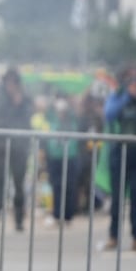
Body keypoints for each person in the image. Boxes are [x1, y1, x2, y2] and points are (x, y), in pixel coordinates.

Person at [103, 66, 136, 251]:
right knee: (117, 198)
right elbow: (109, 115)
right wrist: (126, 98)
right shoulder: (117, 97)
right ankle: (113, 236)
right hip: (119, 152)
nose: (134, 83)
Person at [0, 68, 34, 232]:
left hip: (19, 146)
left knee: (19, 185)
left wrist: (18, 101)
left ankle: (19, 220)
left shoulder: (24, 98)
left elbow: (28, 117)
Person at [42, 94, 80, 226]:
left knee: (69, 186)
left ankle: (68, 215)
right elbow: (47, 113)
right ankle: (57, 215)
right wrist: (53, 103)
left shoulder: (72, 118)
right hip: (55, 157)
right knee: (56, 186)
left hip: (70, 156)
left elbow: (76, 114)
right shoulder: (52, 118)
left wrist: (68, 106)